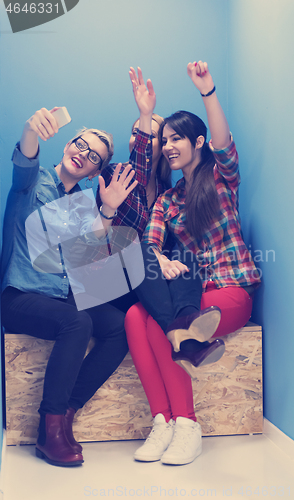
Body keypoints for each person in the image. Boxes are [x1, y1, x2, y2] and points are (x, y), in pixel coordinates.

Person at [125, 60, 261, 465]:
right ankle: (162, 421)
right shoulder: (167, 201)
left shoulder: (221, 176)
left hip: (231, 290)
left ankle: (187, 425)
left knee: (161, 318)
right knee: (135, 313)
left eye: (176, 138)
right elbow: (148, 243)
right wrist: (161, 259)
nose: (167, 146)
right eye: (163, 140)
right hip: (192, 292)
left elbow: (223, 143)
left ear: (196, 141)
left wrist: (207, 91)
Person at [0, 107, 139, 467]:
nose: (83, 153)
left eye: (94, 156)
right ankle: (48, 433)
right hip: (20, 297)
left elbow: (90, 264)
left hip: (62, 295)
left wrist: (107, 211)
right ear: (67, 145)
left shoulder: (83, 205)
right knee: (78, 323)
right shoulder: (33, 184)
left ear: (95, 171)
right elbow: (26, 157)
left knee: (118, 326)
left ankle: (66, 413)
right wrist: (31, 128)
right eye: (80, 144)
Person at [96, 67, 173, 312]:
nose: (138, 139)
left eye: (151, 136)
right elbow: (139, 169)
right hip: (108, 280)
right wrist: (145, 113)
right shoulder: (115, 174)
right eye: (135, 133)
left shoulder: (165, 191)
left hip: (145, 283)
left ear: (163, 147)